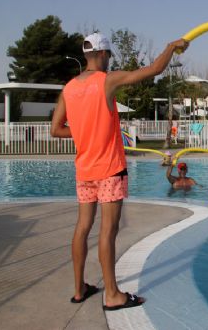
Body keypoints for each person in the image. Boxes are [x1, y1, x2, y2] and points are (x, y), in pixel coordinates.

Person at [51, 32, 188, 310]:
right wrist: (171, 46)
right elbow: (154, 70)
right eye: (109, 55)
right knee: (108, 231)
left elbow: (56, 129)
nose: (109, 60)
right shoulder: (106, 81)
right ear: (102, 55)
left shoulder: (69, 88)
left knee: (82, 227)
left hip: (85, 169)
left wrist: (83, 130)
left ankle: (79, 289)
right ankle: (112, 294)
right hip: (109, 169)